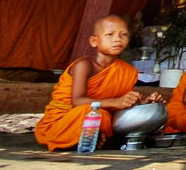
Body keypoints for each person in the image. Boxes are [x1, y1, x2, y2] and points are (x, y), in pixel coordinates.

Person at [35, 16, 163, 151]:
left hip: (101, 117)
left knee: (105, 115)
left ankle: (95, 138)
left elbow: (119, 104)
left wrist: (141, 103)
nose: (117, 39)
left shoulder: (127, 71)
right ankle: (91, 138)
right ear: (94, 41)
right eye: (110, 34)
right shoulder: (84, 65)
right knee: (90, 113)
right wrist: (115, 102)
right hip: (64, 120)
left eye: (123, 34)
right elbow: (77, 101)